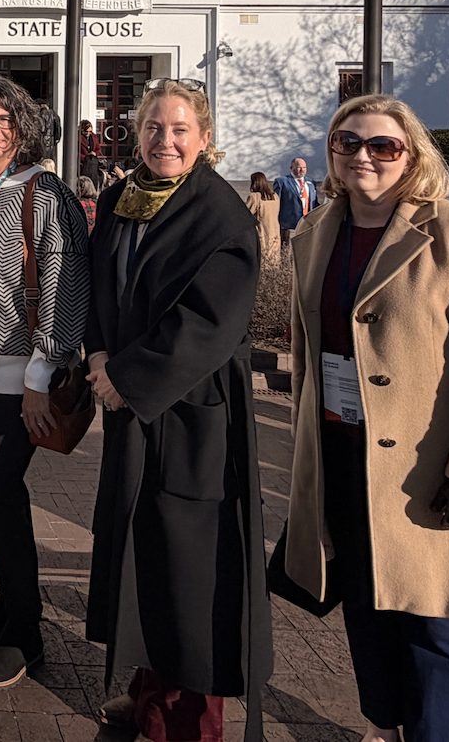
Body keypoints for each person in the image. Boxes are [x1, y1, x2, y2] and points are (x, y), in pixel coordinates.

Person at [284, 94, 449, 742]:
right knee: (366, 605)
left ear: (412, 156)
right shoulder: (317, 234)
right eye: (349, 143)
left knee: (433, 624)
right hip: (345, 452)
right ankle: (385, 724)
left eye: (383, 145)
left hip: (428, 469)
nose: (364, 157)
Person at [84, 79, 270, 742]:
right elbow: (101, 287)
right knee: (141, 549)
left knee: (193, 569)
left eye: (180, 128)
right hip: (134, 409)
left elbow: (211, 322)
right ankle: (147, 691)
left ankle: (189, 723)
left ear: (205, 137)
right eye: (155, 128)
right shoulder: (118, 199)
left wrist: (125, 376)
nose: (166, 140)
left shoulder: (219, 213)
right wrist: (99, 353)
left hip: (195, 416)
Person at [0, 76, 90, 690]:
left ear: (25, 125)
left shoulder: (45, 191)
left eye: (5, 118)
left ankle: (27, 633)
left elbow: (63, 277)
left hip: (18, 371)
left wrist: (43, 369)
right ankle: (9, 608)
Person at [246, 171, 291, 324]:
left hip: (261, 235)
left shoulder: (254, 197)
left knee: (261, 267)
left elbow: (245, 216)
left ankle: (261, 299)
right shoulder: (274, 197)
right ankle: (271, 295)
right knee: (273, 266)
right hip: (274, 235)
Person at [272, 156, 321, 247]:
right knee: (288, 255)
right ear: (291, 168)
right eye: (299, 167)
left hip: (307, 226)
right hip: (289, 227)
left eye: (304, 167)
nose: (302, 170)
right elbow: (275, 204)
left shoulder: (311, 183)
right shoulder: (282, 182)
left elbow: (315, 204)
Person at [78, 119, 104, 184]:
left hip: (93, 162)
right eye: (86, 131)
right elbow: (75, 152)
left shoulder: (94, 137)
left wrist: (95, 153)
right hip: (83, 163)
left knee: (94, 180)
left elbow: (98, 149)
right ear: (82, 130)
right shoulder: (78, 137)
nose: (88, 133)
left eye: (90, 131)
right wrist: (86, 156)